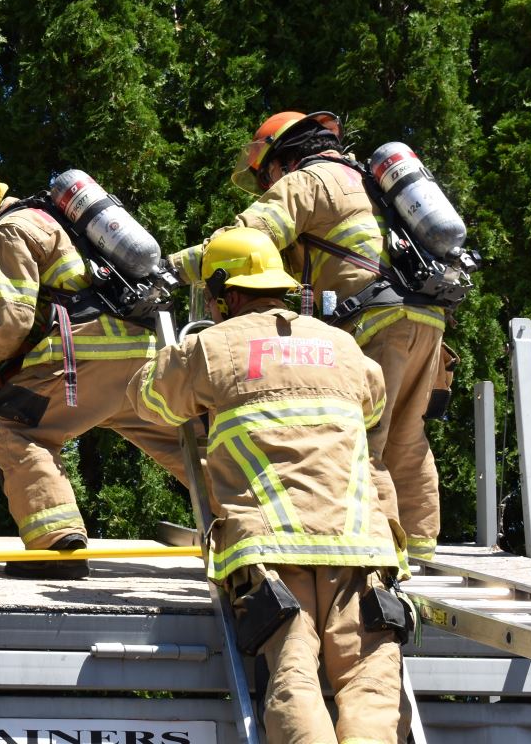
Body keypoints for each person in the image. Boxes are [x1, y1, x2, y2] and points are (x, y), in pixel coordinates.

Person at [130, 227, 407, 744]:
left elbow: (150, 399)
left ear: (225, 295)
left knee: (293, 672)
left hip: (272, 549)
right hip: (360, 545)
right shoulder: (342, 345)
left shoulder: (213, 347)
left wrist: (184, 356)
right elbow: (373, 404)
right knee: (370, 680)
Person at [168, 111, 448, 561]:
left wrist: (168, 271)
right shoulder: (369, 182)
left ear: (282, 159)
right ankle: (420, 552)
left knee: (363, 443)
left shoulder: (307, 181)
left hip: (372, 321)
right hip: (426, 318)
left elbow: (244, 242)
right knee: (408, 438)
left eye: (267, 177)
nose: (268, 185)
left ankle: (386, 563)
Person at [0, 159, 188, 579]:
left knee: (14, 430)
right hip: (142, 352)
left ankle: (56, 544)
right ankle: (250, 521)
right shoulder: (49, 218)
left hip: (89, 356)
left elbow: (9, 320)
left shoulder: (8, 231)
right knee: (181, 445)